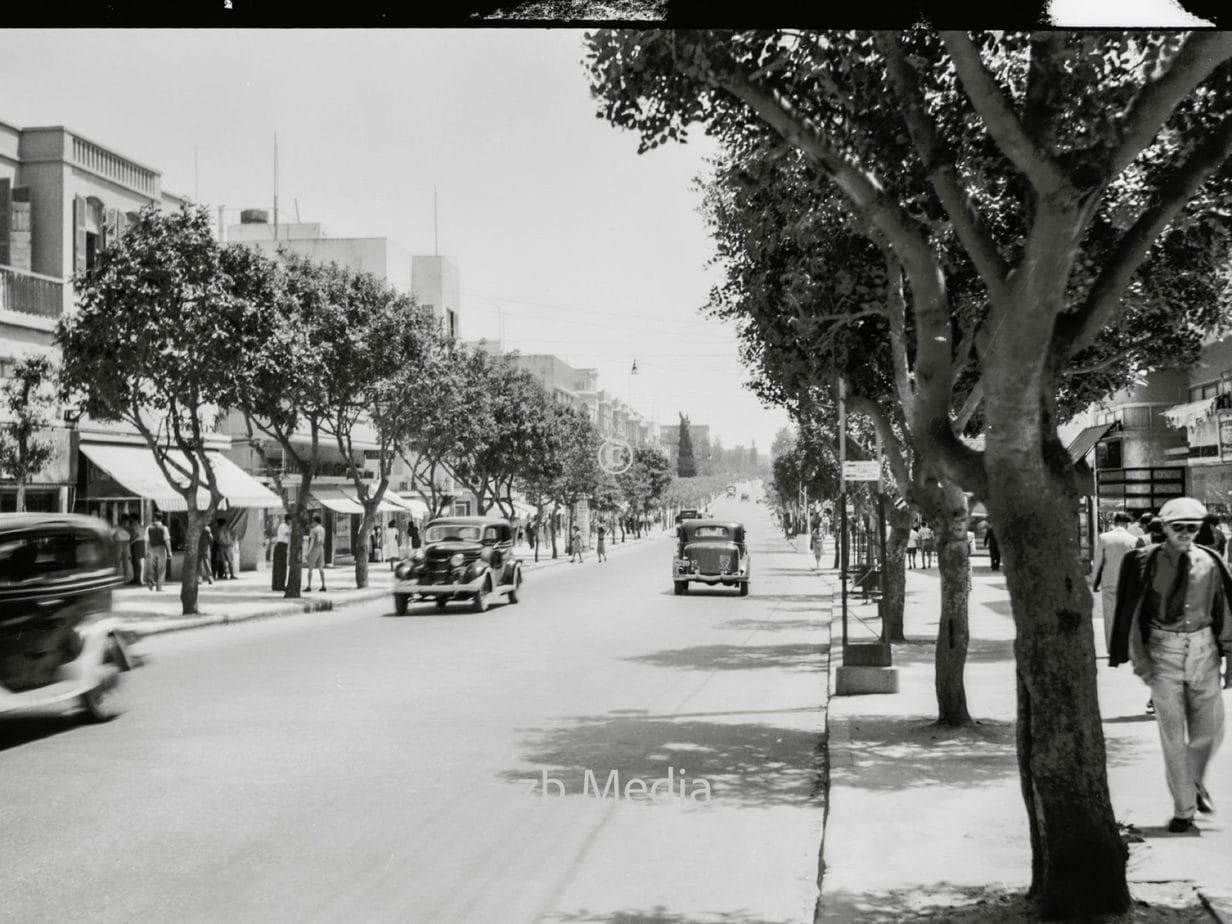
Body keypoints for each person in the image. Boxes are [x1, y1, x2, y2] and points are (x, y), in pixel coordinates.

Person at [1109, 496, 1231, 833]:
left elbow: (1225, 608)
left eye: (1193, 527)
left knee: (1211, 730)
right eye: (1179, 527)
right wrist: (1140, 660)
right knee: (1172, 734)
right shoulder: (1142, 561)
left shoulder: (1211, 561)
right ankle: (1184, 809)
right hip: (1163, 651)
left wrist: (1229, 655)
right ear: (1165, 527)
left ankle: (1192, 779)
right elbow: (1131, 613)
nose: (1186, 533)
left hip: (1204, 650)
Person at [1093, 512, 1139, 655]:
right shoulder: (1134, 539)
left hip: (1109, 582)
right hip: (1127, 584)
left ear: (1114, 521)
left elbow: (1098, 562)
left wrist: (1095, 582)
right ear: (1127, 523)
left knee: (1109, 617)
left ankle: (1112, 649)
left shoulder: (1104, 538)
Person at [145, 512, 170, 591]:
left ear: (154, 518)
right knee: (161, 568)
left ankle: (150, 581)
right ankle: (159, 587)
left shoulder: (148, 528)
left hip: (151, 548)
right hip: (161, 548)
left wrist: (146, 551)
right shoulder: (164, 528)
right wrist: (169, 551)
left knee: (151, 567)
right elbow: (167, 540)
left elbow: (146, 540)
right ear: (162, 519)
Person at [304, 514, 327, 592]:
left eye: (313, 521)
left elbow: (312, 542)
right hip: (321, 548)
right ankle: (323, 585)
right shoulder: (323, 529)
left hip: (314, 549)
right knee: (321, 568)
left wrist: (308, 553)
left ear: (315, 522)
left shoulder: (313, 530)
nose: (312, 523)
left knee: (310, 568)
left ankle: (309, 586)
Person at [272, 514, 291, 592]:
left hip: (282, 546)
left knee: (280, 566)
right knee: (281, 566)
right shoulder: (284, 526)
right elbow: (287, 534)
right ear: (288, 520)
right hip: (281, 546)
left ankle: (278, 584)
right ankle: (280, 585)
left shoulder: (285, 526)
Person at [111, 516, 131, 582]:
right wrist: (113, 541)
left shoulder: (128, 529)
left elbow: (132, 536)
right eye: (125, 522)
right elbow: (110, 534)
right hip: (118, 543)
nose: (126, 523)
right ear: (122, 521)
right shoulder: (117, 527)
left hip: (126, 543)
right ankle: (115, 576)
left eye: (127, 522)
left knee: (125, 561)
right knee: (117, 560)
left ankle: (126, 577)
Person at [128, 515, 146, 587]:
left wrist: (130, 542)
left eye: (131, 519)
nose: (130, 520)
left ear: (134, 519)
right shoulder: (141, 526)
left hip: (137, 544)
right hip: (141, 544)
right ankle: (136, 578)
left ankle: (138, 579)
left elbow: (136, 535)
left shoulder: (135, 526)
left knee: (137, 562)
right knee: (135, 562)